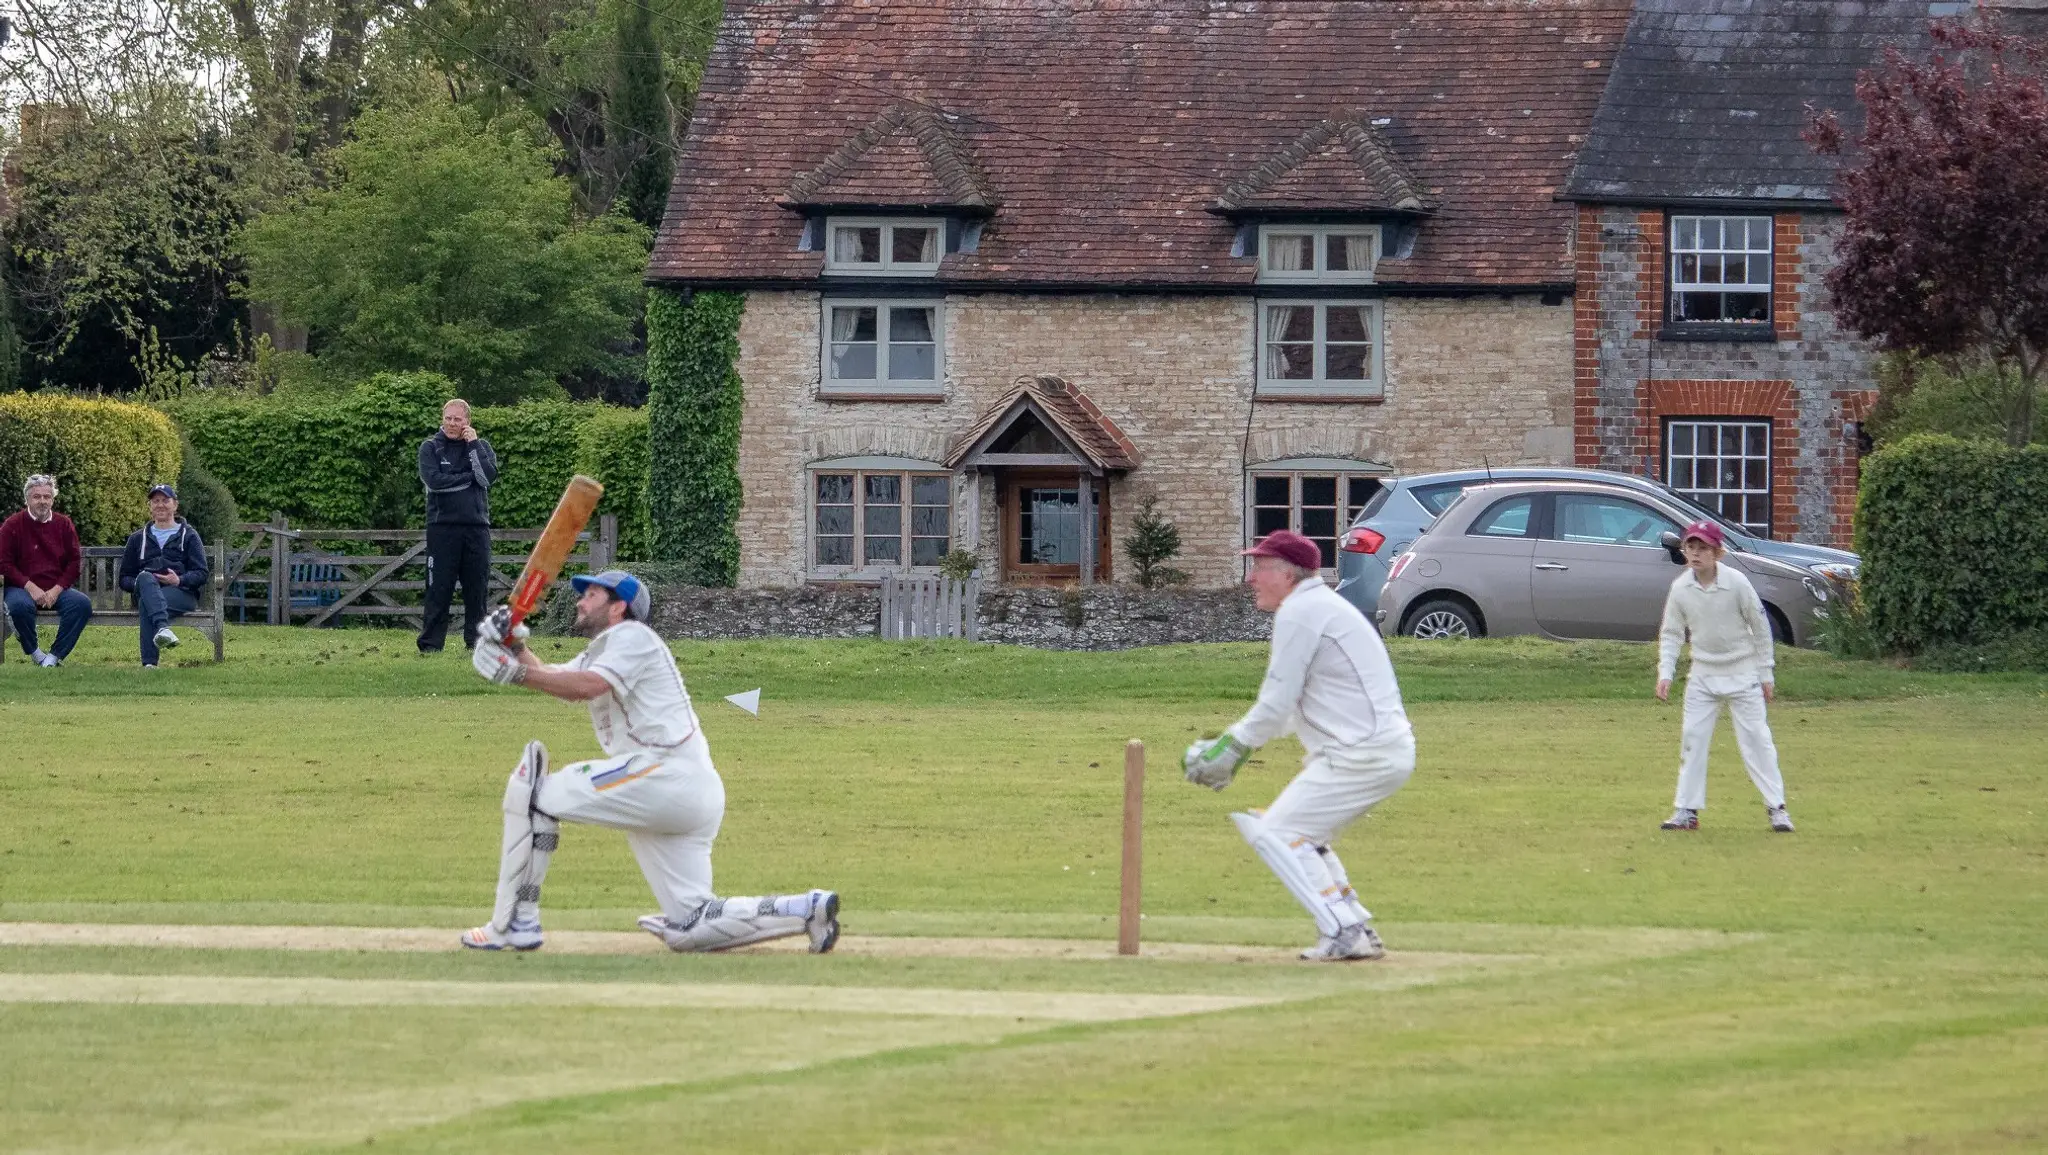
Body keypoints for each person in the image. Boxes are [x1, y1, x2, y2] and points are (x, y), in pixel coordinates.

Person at [462, 569, 841, 954]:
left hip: (663, 774)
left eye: (592, 595)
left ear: (619, 606)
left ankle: (513, 923)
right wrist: (514, 646)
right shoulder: (611, 646)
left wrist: (515, 673)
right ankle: (806, 910)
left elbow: (586, 687)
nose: (579, 601)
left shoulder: (633, 637)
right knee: (692, 922)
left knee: (535, 792)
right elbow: (559, 678)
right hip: (689, 792)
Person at [1182, 529, 1415, 961]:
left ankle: (1342, 930)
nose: (1251, 578)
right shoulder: (1318, 608)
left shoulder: (1303, 612)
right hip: (1375, 751)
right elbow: (1290, 709)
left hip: (1362, 753)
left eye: (1261, 568)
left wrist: (1230, 749)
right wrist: (1236, 743)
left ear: (1287, 575)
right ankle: (1355, 924)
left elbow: (1276, 700)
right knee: (1302, 833)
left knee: (1279, 832)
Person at [1655, 519, 1793, 833]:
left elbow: (1761, 629)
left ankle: (1777, 809)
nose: (1695, 553)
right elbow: (1672, 633)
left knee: (1757, 740)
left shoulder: (1738, 583)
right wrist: (1666, 672)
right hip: (1702, 675)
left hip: (1743, 674)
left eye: (1703, 547)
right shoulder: (1681, 588)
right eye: (1691, 546)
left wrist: (1766, 673)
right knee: (1692, 740)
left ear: (1718, 553)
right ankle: (1686, 811)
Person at [417, 398, 498, 653]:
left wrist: (473, 444)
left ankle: (477, 644)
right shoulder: (430, 448)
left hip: (477, 528)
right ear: (442, 419)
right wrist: (468, 478)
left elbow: (485, 477)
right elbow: (435, 482)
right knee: (438, 589)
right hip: (442, 529)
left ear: (467, 422)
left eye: (457, 419)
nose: (452, 423)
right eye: (448, 418)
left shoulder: (481, 446)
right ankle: (430, 646)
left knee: (477, 589)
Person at [1, 474, 93, 667]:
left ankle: (53, 657)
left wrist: (56, 590)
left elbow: (75, 562)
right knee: (19, 607)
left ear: (52, 499)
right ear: (27, 499)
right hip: (21, 588)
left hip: (56, 589)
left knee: (82, 604)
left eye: (47, 496)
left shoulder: (64, 524)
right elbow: (4, 563)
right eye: (37, 497)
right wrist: (30, 587)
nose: (42, 501)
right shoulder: (12, 525)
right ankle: (35, 653)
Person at [117, 484, 210, 668]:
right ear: (150, 506)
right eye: (155, 501)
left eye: (165, 501)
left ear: (175, 505)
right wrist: (141, 583)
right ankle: (163, 629)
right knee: (145, 580)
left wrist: (179, 580)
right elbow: (124, 578)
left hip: (180, 593)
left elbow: (201, 573)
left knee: (147, 603)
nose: (160, 505)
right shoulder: (137, 539)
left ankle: (149, 664)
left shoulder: (189, 536)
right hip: (145, 591)